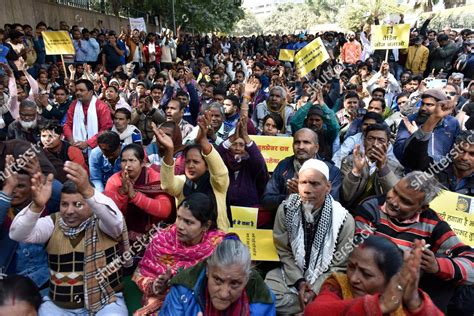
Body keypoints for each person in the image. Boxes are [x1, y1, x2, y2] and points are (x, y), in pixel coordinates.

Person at [9, 162, 130, 315]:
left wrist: (87, 190)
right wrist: (36, 206)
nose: (69, 211)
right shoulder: (52, 223)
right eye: (64, 204)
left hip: (106, 303)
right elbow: (17, 234)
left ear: (91, 204)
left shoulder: (103, 222)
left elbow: (117, 222)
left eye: (78, 204)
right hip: (60, 307)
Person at [354, 172, 474, 313]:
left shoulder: (434, 224)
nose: (393, 202)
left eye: (405, 201)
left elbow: (471, 267)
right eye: (395, 191)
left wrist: (436, 266)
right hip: (369, 289)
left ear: (422, 208)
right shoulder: (372, 207)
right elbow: (362, 251)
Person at [265, 158, 355, 315]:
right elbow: (284, 251)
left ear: (328, 187)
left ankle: (307, 307)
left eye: (314, 184)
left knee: (340, 295)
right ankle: (311, 309)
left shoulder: (344, 220)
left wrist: (314, 288)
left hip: (325, 278)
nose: (307, 189)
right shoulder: (286, 209)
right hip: (294, 274)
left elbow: (339, 265)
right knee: (268, 292)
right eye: (303, 182)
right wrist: (300, 283)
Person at [132, 193, 226, 315]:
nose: (180, 226)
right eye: (179, 218)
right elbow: (141, 274)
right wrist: (156, 285)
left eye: (188, 222)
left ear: (206, 225)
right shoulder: (162, 240)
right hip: (163, 300)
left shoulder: (219, 245)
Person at [305, 236, 443, 315]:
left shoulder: (403, 300)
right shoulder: (338, 284)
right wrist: (378, 305)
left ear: (390, 281)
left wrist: (413, 301)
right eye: (351, 267)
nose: (353, 279)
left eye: (366, 274)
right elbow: (314, 311)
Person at [160, 238, 276, 315]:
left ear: (246, 280)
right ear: (207, 271)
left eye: (235, 284)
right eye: (218, 280)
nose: (224, 294)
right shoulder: (183, 291)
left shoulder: (262, 301)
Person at [156, 111, 230, 230]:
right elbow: (167, 185)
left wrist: (203, 141)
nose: (190, 165)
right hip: (186, 240)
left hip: (215, 241)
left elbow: (220, 172)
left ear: (207, 165)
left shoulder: (217, 184)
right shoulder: (183, 182)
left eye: (196, 162)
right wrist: (169, 151)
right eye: (187, 161)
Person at [262, 128, 342, 214]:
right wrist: (289, 197)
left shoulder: (331, 171)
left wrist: (303, 196)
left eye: (306, 142)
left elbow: (333, 207)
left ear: (316, 148)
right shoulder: (283, 165)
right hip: (285, 221)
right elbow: (266, 201)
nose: (301, 147)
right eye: (297, 142)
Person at [104, 143, 174, 242]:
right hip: (122, 234)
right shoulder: (115, 180)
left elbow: (165, 210)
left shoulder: (154, 178)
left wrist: (135, 196)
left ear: (142, 163)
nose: (127, 165)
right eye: (124, 161)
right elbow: (108, 213)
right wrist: (122, 193)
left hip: (152, 234)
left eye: (132, 160)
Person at [216, 117, 269, 226]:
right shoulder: (223, 161)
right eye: (234, 144)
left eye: (242, 144)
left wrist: (246, 137)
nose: (237, 148)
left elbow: (260, 163)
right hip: (226, 213)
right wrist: (231, 139)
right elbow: (214, 157)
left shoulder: (251, 162)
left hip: (249, 213)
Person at [340, 123, 404, 208]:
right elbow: (346, 197)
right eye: (370, 139)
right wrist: (356, 171)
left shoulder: (395, 167)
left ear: (387, 145)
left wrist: (383, 169)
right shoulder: (350, 161)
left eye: (381, 140)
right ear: (364, 141)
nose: (375, 144)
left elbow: (395, 199)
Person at [395, 89, 460, 167]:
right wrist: (417, 136)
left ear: (442, 107)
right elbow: (398, 153)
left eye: (429, 105)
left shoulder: (452, 123)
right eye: (422, 104)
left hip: (441, 173)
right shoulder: (409, 121)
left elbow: (456, 151)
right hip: (414, 173)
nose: (423, 108)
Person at [63, 79, 113, 152]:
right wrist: (71, 140)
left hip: (97, 148)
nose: (78, 93)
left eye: (81, 90)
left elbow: (105, 129)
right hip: (75, 145)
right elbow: (67, 124)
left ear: (91, 92)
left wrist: (88, 143)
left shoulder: (101, 106)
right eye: (76, 90)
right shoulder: (74, 105)